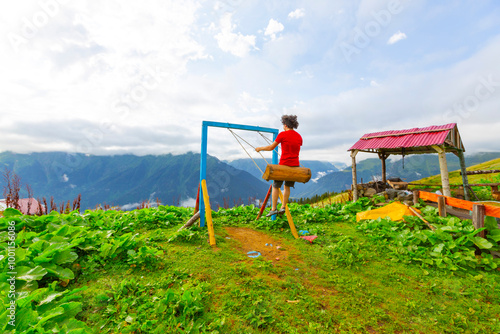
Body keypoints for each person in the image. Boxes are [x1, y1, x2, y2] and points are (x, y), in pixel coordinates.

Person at [255, 115, 302, 217]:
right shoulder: (299, 136)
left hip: (283, 165)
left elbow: (271, 147)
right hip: (295, 166)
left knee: (276, 187)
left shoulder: (282, 135)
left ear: (285, 125)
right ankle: (283, 207)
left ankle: (273, 209)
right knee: (287, 187)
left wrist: (260, 148)